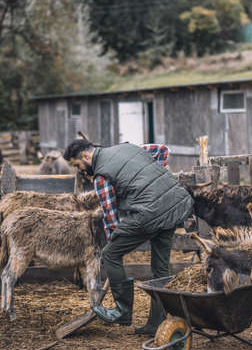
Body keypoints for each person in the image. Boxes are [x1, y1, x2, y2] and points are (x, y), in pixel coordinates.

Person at [63, 139, 193, 335]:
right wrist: (149, 180)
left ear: (86, 156)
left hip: (151, 212)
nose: (81, 170)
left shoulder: (101, 177)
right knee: (160, 266)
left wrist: (114, 243)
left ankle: (123, 311)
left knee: (110, 255)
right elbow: (163, 150)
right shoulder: (128, 147)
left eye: (78, 165)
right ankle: (156, 322)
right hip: (175, 204)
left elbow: (112, 220)